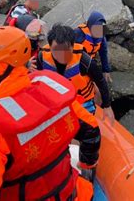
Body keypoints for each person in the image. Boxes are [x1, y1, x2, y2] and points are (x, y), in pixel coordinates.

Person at [0, 26, 94, 200]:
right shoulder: (58, 96)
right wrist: (88, 165)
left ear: (0, 68)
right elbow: (92, 129)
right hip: (69, 195)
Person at [35, 24, 115, 179]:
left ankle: (85, 172)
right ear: (50, 47)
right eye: (57, 50)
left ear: (73, 46)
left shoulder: (84, 60)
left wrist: (107, 106)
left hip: (82, 103)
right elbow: (36, 79)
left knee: (82, 135)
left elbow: (100, 81)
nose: (62, 55)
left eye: (66, 50)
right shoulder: (41, 57)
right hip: (55, 105)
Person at [74, 11, 112, 83]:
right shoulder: (79, 33)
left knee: (100, 81)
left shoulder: (101, 35)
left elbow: (103, 52)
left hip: (91, 62)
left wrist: (106, 70)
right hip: (78, 62)